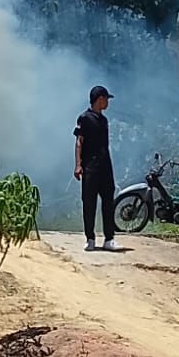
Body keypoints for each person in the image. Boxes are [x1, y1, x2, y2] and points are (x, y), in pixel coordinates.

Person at [75, 86, 116, 251]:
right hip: (90, 167)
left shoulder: (104, 120)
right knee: (89, 203)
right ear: (100, 99)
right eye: (106, 99)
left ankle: (109, 238)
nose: (107, 102)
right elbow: (79, 142)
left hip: (105, 166)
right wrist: (78, 164)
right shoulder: (84, 118)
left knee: (108, 202)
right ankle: (90, 238)